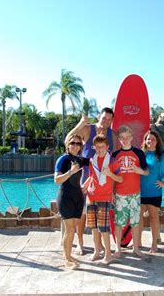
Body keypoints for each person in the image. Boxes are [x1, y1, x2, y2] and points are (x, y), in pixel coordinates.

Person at [65, 107, 116, 255]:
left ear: (112, 121)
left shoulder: (112, 134)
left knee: (99, 214)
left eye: (109, 119)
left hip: (104, 181)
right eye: (103, 118)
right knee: (82, 213)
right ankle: (80, 243)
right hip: (86, 178)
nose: (105, 121)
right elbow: (68, 140)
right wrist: (80, 124)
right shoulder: (88, 130)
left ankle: (98, 246)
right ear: (99, 116)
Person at [83, 134, 122, 264]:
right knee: (93, 227)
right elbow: (92, 176)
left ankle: (108, 255)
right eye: (97, 147)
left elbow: (120, 179)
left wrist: (109, 173)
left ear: (107, 147)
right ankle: (96, 251)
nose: (100, 149)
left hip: (104, 197)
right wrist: (85, 185)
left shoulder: (113, 161)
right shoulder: (91, 160)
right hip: (91, 196)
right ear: (94, 147)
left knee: (104, 228)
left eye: (102, 147)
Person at [111, 125, 149, 258]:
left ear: (132, 137)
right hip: (120, 194)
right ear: (119, 140)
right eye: (122, 138)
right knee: (119, 222)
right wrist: (112, 193)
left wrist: (141, 171)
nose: (125, 140)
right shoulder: (115, 155)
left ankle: (136, 248)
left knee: (135, 222)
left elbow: (147, 171)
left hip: (135, 194)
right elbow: (111, 176)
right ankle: (117, 249)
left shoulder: (139, 153)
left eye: (127, 137)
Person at [54, 134, 89, 270]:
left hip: (78, 197)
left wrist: (86, 183)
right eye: (72, 143)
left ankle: (67, 255)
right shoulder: (63, 159)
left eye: (78, 144)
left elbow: (96, 163)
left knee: (73, 229)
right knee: (69, 229)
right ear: (67, 145)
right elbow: (57, 180)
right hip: (66, 197)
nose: (75, 146)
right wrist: (70, 172)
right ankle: (67, 259)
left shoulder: (79, 159)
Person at [139, 130, 164, 254]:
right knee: (138, 218)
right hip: (140, 192)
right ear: (145, 141)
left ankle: (154, 244)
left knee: (154, 218)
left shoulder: (162, 156)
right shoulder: (141, 154)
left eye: (153, 139)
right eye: (148, 139)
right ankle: (138, 242)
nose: (150, 141)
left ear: (157, 141)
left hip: (154, 193)